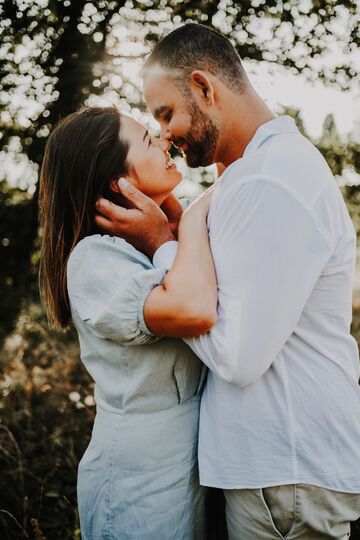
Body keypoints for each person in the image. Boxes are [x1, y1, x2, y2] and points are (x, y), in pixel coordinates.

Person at [95, 24, 360, 539]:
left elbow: (237, 355)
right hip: (273, 469)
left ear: (204, 87)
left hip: (285, 468)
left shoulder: (271, 178)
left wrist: (161, 246)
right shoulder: (253, 173)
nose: (165, 134)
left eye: (166, 113)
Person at [38, 105, 220, 539]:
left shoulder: (162, 241)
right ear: (116, 181)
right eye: (146, 140)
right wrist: (169, 236)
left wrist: (172, 234)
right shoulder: (94, 261)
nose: (164, 140)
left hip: (191, 463)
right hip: (137, 480)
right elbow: (193, 310)